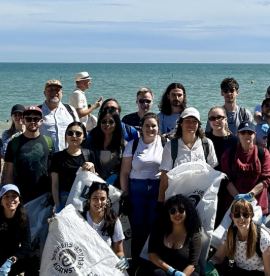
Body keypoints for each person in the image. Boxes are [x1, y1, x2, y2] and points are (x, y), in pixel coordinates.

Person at [205, 198, 270, 276]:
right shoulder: (229, 233)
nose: (241, 218)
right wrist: (210, 265)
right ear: (232, 217)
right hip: (239, 272)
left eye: (245, 214)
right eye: (237, 214)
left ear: (251, 216)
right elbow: (218, 258)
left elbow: (269, 273)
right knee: (216, 272)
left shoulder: (262, 237)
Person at [137, 195, 202, 276]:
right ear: (168, 213)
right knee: (157, 275)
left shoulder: (194, 235)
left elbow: (192, 264)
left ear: (187, 212)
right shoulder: (158, 229)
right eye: (173, 211)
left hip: (186, 273)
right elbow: (152, 255)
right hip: (166, 270)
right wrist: (172, 271)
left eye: (181, 210)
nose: (177, 214)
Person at [120, 113, 165, 256]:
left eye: (154, 126)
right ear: (141, 127)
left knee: (155, 228)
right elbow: (124, 173)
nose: (150, 129)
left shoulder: (165, 144)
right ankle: (137, 264)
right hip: (136, 190)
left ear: (158, 127)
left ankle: (152, 263)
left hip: (157, 190)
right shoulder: (133, 145)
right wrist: (126, 196)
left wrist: (163, 197)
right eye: (147, 125)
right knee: (138, 229)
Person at [158, 108, 217, 204]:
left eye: (194, 121)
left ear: (198, 124)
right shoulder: (171, 146)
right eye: (187, 121)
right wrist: (160, 201)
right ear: (180, 123)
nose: (191, 124)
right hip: (176, 198)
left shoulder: (206, 144)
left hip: (201, 198)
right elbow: (164, 177)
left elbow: (212, 174)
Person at [221, 121, 270, 218]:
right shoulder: (229, 154)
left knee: (257, 233)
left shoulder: (263, 153)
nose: (246, 135)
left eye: (249, 132)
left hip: (258, 207)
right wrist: (238, 198)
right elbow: (226, 179)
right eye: (243, 132)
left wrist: (250, 195)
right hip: (234, 207)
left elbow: (267, 179)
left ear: (254, 134)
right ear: (238, 134)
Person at [4, 106, 53, 204]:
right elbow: (8, 173)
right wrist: (10, 194)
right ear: (23, 121)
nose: (32, 121)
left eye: (36, 119)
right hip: (21, 196)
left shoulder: (48, 142)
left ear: (41, 121)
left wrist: (52, 195)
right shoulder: (14, 143)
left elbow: (51, 171)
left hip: (43, 196)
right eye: (29, 119)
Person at [49, 121, 96, 212]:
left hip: (84, 199)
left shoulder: (89, 154)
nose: (74, 136)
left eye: (78, 133)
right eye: (70, 133)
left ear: (84, 137)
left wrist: (92, 166)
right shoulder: (57, 157)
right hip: (64, 200)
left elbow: (92, 181)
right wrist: (57, 205)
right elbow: (55, 185)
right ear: (66, 136)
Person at [82, 182, 129, 270]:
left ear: (107, 200)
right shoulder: (80, 218)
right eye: (95, 198)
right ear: (89, 199)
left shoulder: (113, 220)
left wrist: (121, 259)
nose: (99, 202)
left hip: (104, 266)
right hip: (83, 265)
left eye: (102, 199)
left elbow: (118, 251)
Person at [82, 109, 126, 185]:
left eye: (111, 122)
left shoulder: (123, 145)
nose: (107, 124)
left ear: (116, 124)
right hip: (92, 185)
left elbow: (126, 168)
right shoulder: (89, 142)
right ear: (100, 123)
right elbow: (83, 161)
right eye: (104, 121)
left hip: (114, 187)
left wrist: (116, 175)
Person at [39, 79, 80, 152]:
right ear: (45, 93)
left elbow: (79, 131)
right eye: (50, 90)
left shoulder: (70, 110)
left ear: (61, 92)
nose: (54, 92)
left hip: (68, 157)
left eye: (57, 90)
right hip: (45, 158)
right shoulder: (37, 112)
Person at [206, 106, 239, 171]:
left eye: (219, 117)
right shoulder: (204, 140)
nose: (216, 120)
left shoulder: (235, 140)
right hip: (209, 178)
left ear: (226, 119)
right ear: (209, 121)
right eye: (212, 118)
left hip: (229, 178)